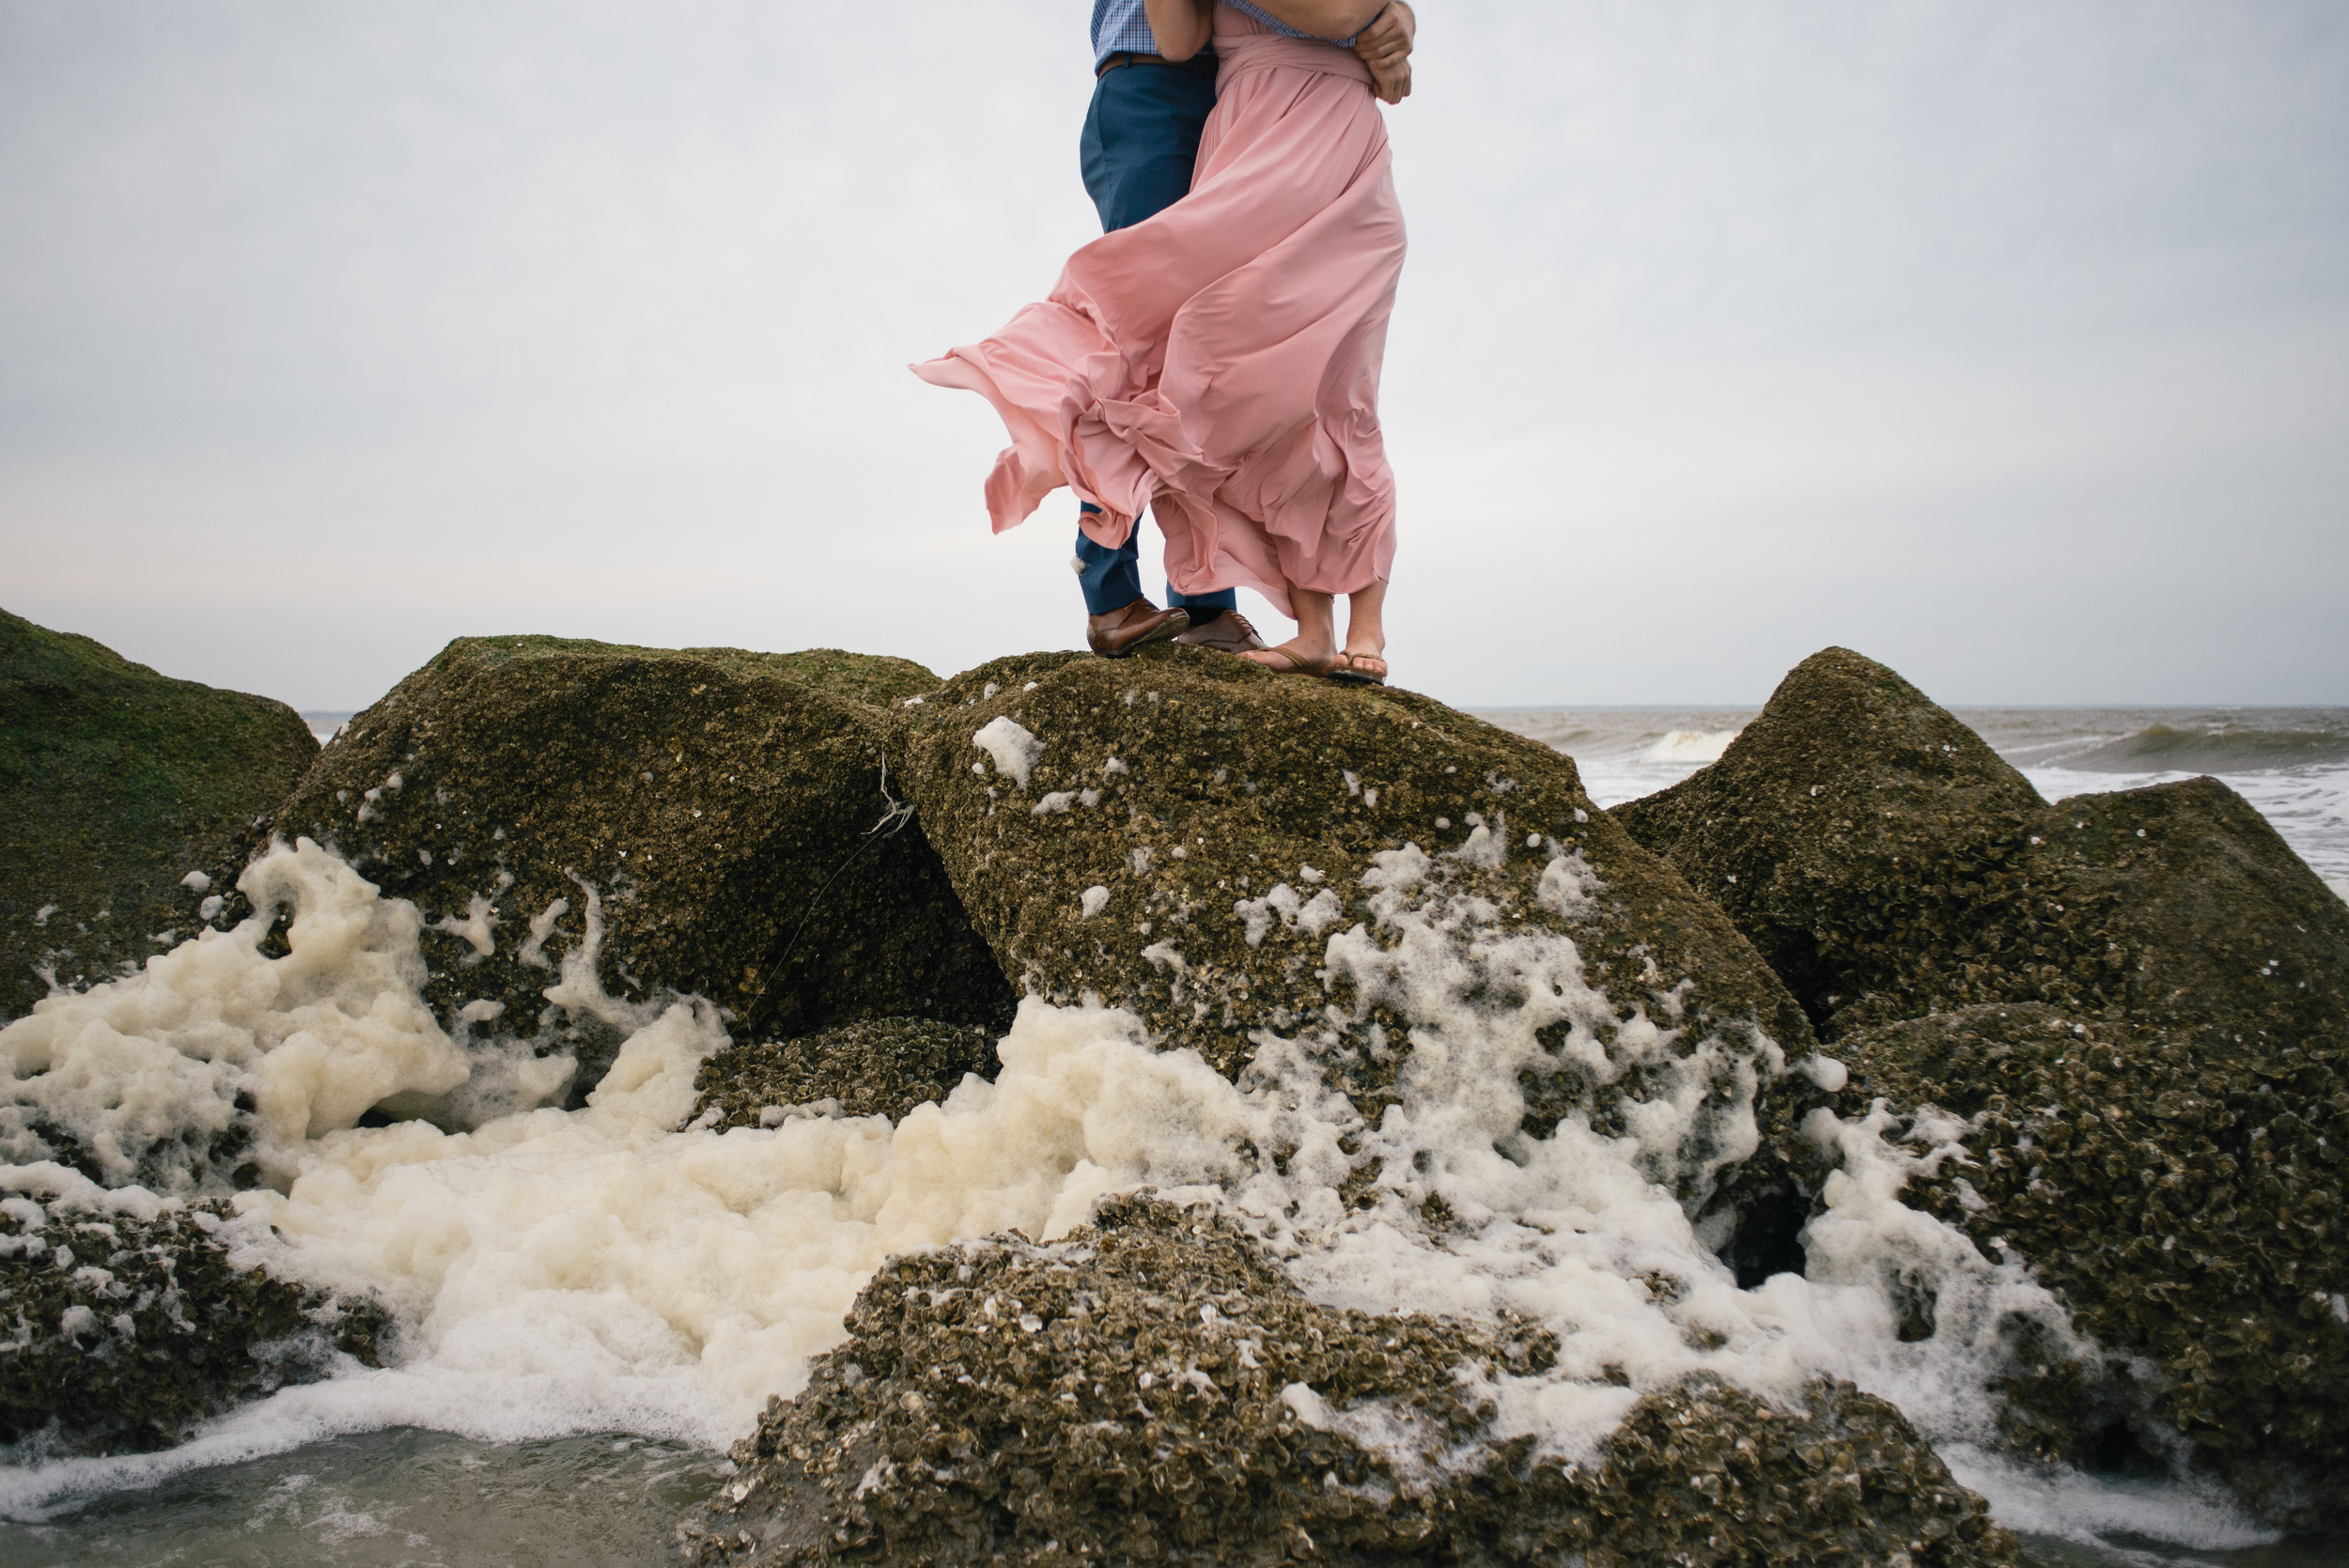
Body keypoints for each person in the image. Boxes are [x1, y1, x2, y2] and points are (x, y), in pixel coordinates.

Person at [916, 0, 1413, 679]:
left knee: (1209, 356)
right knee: (1136, 330)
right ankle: (1110, 589)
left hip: (1234, 96)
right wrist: (1377, 18)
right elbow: (1188, 36)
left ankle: (1204, 602)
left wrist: (1391, 19)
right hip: (1152, 85)